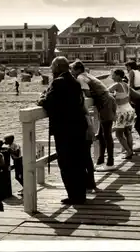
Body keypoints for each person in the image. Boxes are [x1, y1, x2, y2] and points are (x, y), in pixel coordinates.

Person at [37, 56, 88, 205]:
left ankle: (74, 196)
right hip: (78, 126)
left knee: (66, 162)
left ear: (58, 67)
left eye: (52, 67)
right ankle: (81, 194)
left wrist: (41, 99)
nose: (51, 69)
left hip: (65, 129)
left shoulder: (58, 82)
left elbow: (49, 102)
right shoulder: (74, 81)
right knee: (78, 161)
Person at [70, 60, 117, 173]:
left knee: (106, 134)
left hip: (105, 102)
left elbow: (87, 94)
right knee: (101, 134)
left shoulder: (80, 78)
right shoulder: (88, 75)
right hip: (108, 100)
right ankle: (101, 160)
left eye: (71, 69)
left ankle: (110, 162)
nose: (71, 72)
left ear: (77, 70)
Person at [108, 69, 136, 160]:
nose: (112, 77)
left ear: (119, 76)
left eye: (114, 75)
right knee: (128, 132)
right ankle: (130, 150)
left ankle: (128, 151)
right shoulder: (125, 84)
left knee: (119, 134)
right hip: (129, 110)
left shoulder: (117, 84)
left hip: (122, 111)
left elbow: (105, 91)